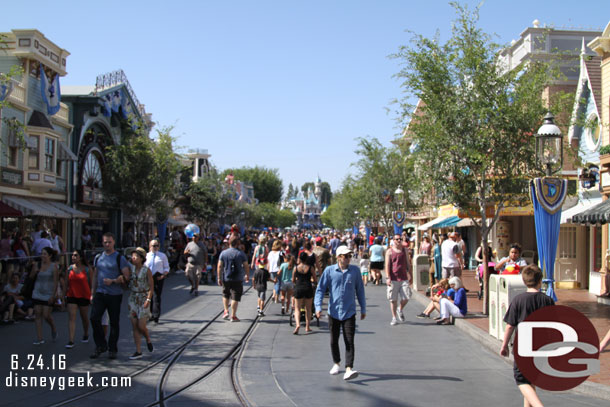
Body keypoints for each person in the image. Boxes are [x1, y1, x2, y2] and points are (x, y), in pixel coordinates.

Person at [500, 264, 555, 407]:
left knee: (522, 380)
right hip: (542, 345)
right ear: (540, 281)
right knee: (531, 380)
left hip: (524, 344)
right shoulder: (547, 300)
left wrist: (504, 345)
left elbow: (510, 325)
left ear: (524, 281)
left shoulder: (519, 300)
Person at [314, 246, 366, 381]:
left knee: (349, 340)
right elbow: (320, 289)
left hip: (349, 311)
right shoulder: (329, 271)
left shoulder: (354, 271)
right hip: (334, 311)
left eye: (349, 255)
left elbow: (360, 290)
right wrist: (318, 306)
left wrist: (363, 308)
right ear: (338, 257)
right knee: (333, 340)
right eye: (345, 256)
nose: (348, 258)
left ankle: (349, 368)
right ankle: (336, 362)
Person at [90, 232, 131, 360]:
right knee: (94, 318)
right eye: (105, 242)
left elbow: (126, 276)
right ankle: (101, 345)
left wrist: (113, 281)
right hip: (100, 293)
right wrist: (92, 292)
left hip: (114, 294)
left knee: (114, 322)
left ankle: (112, 348)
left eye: (109, 242)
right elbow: (95, 276)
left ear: (114, 242)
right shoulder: (98, 257)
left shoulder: (119, 258)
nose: (107, 244)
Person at [127, 247, 154, 360]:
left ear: (142, 258)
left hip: (143, 298)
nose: (134, 258)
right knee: (134, 326)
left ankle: (147, 338)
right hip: (133, 298)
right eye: (133, 256)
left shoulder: (146, 270)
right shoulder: (130, 269)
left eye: (136, 256)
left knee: (141, 325)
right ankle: (138, 351)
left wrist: (148, 299)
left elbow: (151, 287)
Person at [31, 247, 60, 345]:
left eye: (44, 254)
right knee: (38, 314)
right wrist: (34, 271)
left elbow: (56, 282)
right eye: (42, 253)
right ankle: (40, 338)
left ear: (50, 256)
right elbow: (31, 277)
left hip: (48, 293)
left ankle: (53, 327)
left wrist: (53, 295)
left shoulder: (54, 266)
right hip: (37, 292)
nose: (42, 256)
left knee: (46, 315)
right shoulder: (37, 264)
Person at [63, 250, 92, 348]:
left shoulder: (87, 269)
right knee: (72, 317)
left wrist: (92, 295)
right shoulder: (70, 269)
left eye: (75, 255)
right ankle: (71, 340)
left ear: (81, 257)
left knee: (84, 317)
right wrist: (63, 296)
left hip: (84, 296)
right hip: (72, 295)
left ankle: (86, 333)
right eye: (72, 255)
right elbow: (66, 283)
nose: (73, 257)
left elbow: (91, 283)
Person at [217, 237, 250, 322]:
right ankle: (233, 316)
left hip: (226, 277)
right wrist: (247, 275)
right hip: (237, 278)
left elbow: (219, 266)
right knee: (235, 297)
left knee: (225, 294)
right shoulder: (241, 253)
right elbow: (246, 265)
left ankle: (226, 311)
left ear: (229, 243)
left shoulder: (223, 253)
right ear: (237, 244)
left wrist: (219, 277)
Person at [385, 234, 412, 326]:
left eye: (400, 239)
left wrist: (410, 274)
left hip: (403, 277)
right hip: (393, 278)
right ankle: (394, 317)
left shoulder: (405, 250)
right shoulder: (389, 251)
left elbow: (408, 263)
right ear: (393, 240)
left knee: (406, 297)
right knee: (393, 299)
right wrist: (388, 277)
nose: (399, 240)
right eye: (397, 239)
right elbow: (387, 265)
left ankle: (400, 309)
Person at [293, 251, 317, 334]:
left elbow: (293, 280)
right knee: (308, 308)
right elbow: (315, 279)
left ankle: (298, 324)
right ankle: (307, 326)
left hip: (298, 288)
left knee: (297, 308)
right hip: (308, 287)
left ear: (299, 258)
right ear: (307, 259)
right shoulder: (310, 268)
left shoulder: (295, 268)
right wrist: (313, 281)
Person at [145, 239, 170, 322]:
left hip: (158, 277)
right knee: (149, 296)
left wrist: (163, 275)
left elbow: (166, 267)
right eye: (153, 245)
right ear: (150, 247)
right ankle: (150, 313)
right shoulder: (146, 256)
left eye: (157, 245)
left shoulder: (162, 256)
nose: (155, 247)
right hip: (149, 277)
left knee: (157, 296)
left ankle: (156, 315)